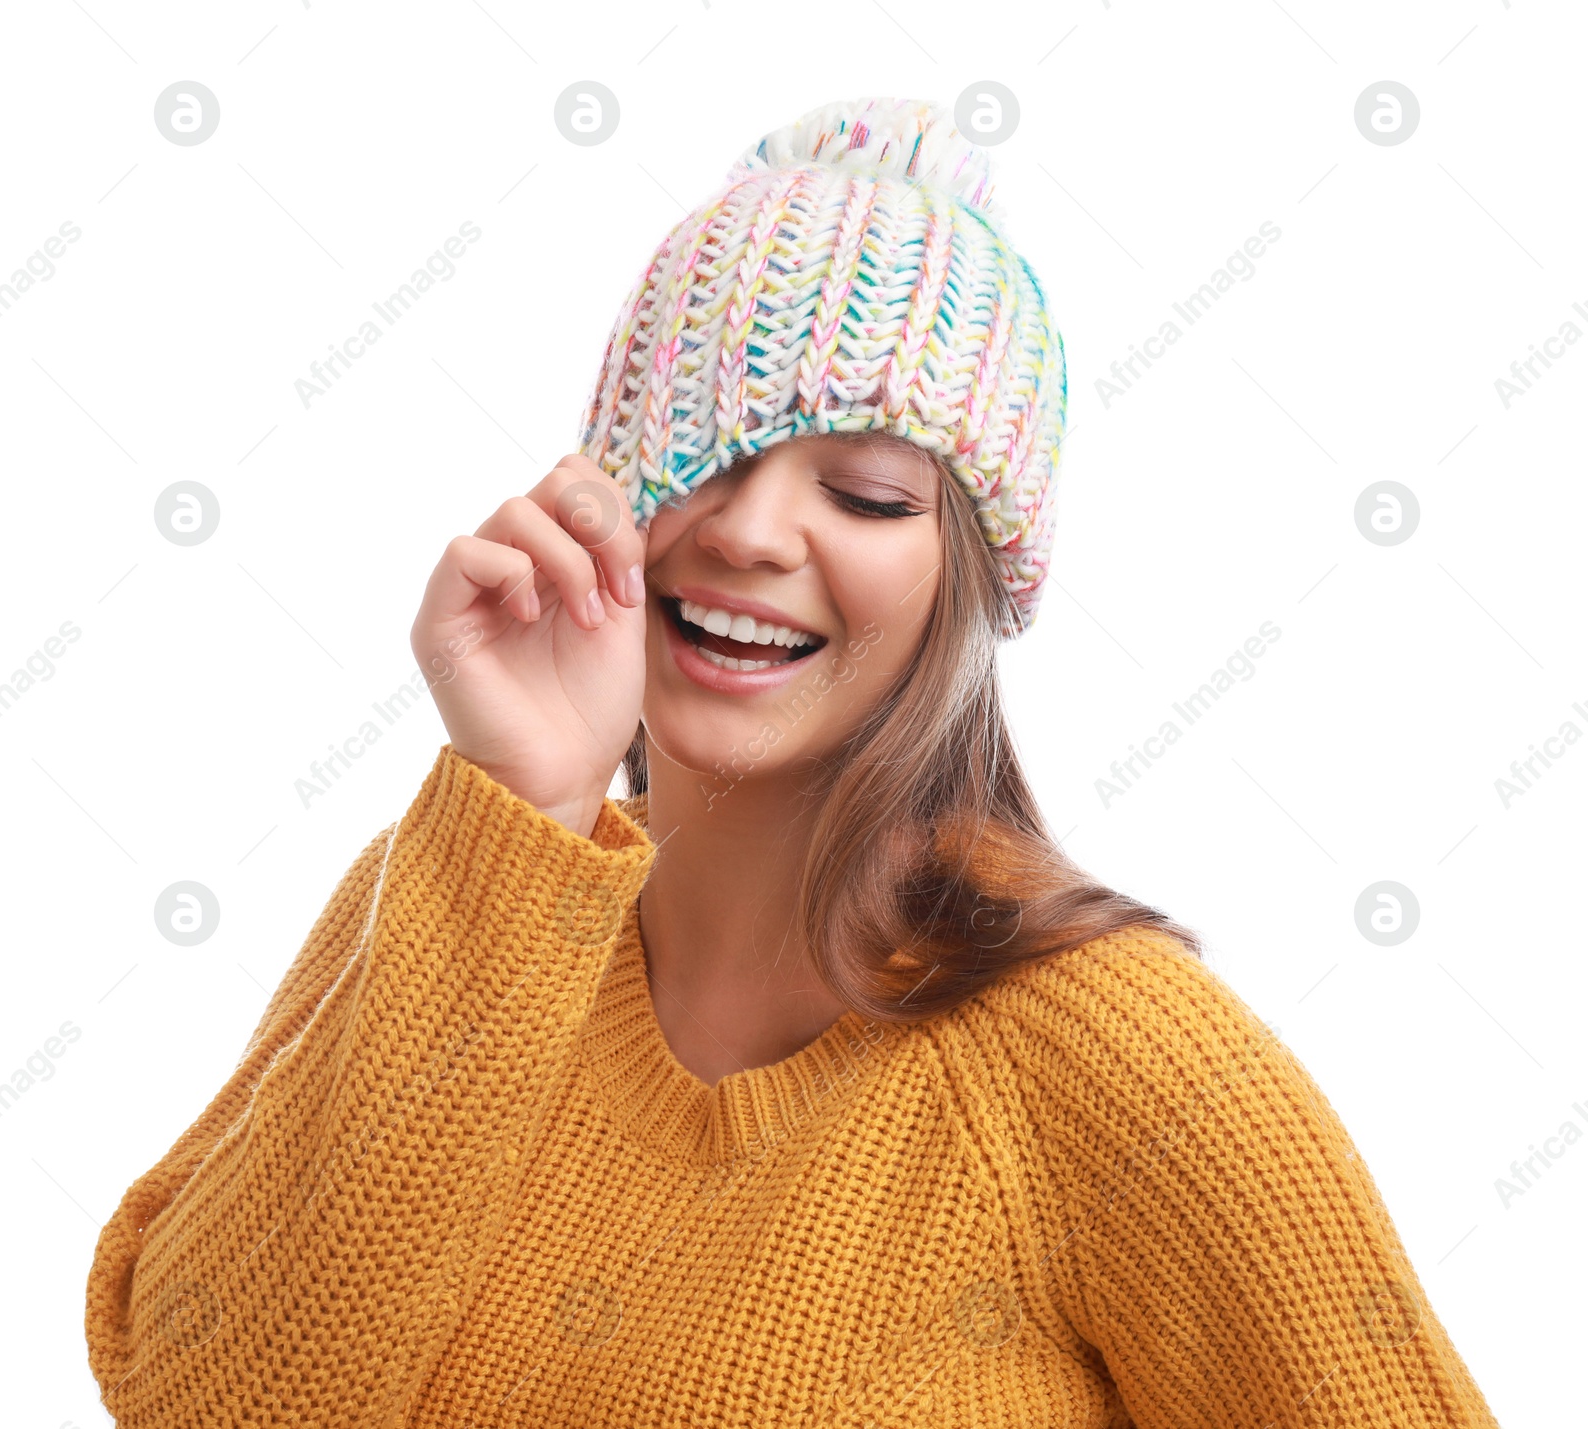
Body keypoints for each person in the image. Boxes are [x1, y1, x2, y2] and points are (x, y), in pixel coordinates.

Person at [85, 97, 1499, 1427]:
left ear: (971, 573)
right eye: (703, 450)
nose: (753, 533)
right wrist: (519, 806)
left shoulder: (1117, 1057)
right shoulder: (461, 897)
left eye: (869, 493)